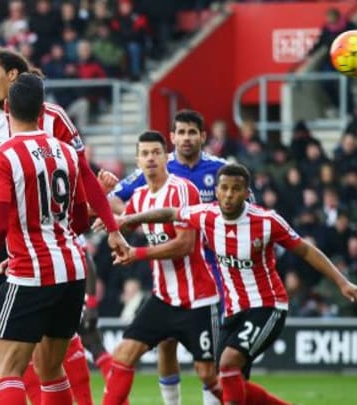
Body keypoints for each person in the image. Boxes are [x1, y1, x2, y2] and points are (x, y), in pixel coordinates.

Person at [0, 47, 128, 404]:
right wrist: (108, 226)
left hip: (18, 248)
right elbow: (80, 207)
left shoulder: (16, 146)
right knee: (49, 364)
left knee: (4, 369)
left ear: (13, 81)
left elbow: (0, 221)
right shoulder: (57, 148)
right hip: (58, 252)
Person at [117, 163, 357, 405]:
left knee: (228, 364)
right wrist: (131, 219)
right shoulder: (206, 214)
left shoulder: (267, 221)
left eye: (235, 189)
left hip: (268, 305)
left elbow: (306, 251)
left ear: (247, 193)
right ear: (216, 191)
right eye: (224, 188)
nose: (228, 195)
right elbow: (170, 213)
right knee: (225, 380)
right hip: (233, 310)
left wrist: (343, 282)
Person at [0, 73, 90, 405]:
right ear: (41, 110)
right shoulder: (66, 152)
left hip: (33, 272)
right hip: (72, 271)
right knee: (50, 369)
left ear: (7, 108)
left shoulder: (2, 155)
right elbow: (78, 218)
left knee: (4, 370)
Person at [107, 111, 226, 405]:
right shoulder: (139, 199)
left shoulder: (184, 190)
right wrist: (102, 205)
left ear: (165, 157)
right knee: (124, 355)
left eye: (155, 153)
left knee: (208, 374)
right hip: (164, 298)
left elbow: (184, 244)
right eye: (144, 154)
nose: (150, 158)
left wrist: (136, 254)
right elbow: (117, 218)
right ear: (137, 162)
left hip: (199, 297)